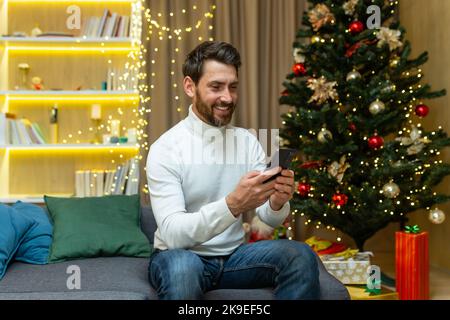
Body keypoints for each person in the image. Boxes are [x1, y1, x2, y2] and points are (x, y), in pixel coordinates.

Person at [146, 41, 320, 300]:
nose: (227, 97)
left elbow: (268, 219)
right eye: (216, 87)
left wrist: (276, 202)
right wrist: (232, 205)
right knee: (183, 269)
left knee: (300, 255)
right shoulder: (166, 148)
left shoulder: (249, 141)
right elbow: (173, 234)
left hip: (235, 258)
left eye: (233, 87)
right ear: (189, 86)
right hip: (181, 256)